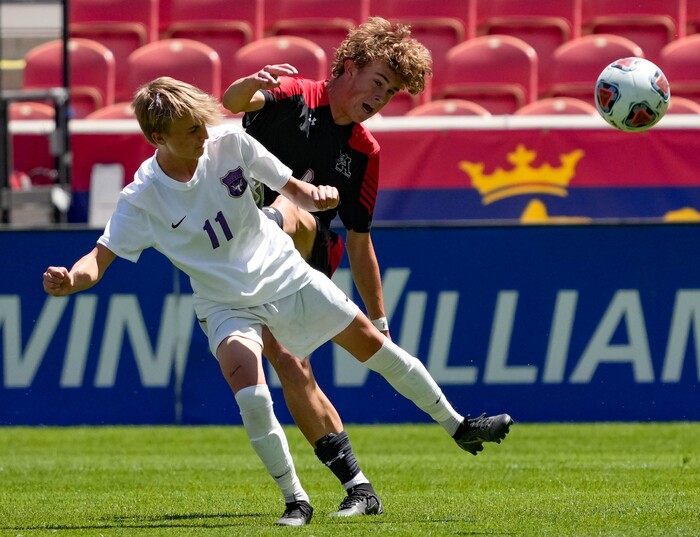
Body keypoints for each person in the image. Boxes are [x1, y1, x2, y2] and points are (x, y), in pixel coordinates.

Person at [43, 77, 513, 527]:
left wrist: (320, 195)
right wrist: (70, 279)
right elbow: (98, 260)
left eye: (204, 122)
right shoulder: (142, 197)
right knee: (251, 394)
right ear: (156, 136)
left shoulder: (231, 143)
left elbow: (296, 190)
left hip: (284, 273)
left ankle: (458, 425)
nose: (204, 134)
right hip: (226, 305)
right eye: (190, 129)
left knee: (374, 345)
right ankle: (296, 499)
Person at [223, 16, 442, 516]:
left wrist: (381, 324)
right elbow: (233, 104)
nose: (383, 98)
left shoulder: (365, 150)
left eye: (392, 93)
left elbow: (361, 242)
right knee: (290, 365)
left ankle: (353, 492)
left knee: (296, 222)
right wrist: (252, 83)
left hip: (301, 254)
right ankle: (360, 488)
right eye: (379, 83)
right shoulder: (292, 94)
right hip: (239, 251)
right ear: (349, 66)